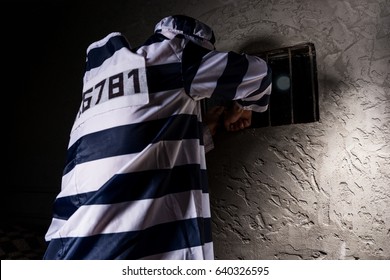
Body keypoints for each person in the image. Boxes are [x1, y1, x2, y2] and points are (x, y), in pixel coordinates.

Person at [43, 15, 272, 260]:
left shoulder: (107, 75)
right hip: (121, 248)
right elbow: (260, 75)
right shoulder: (179, 55)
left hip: (65, 247)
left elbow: (136, 152)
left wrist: (203, 130)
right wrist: (243, 107)